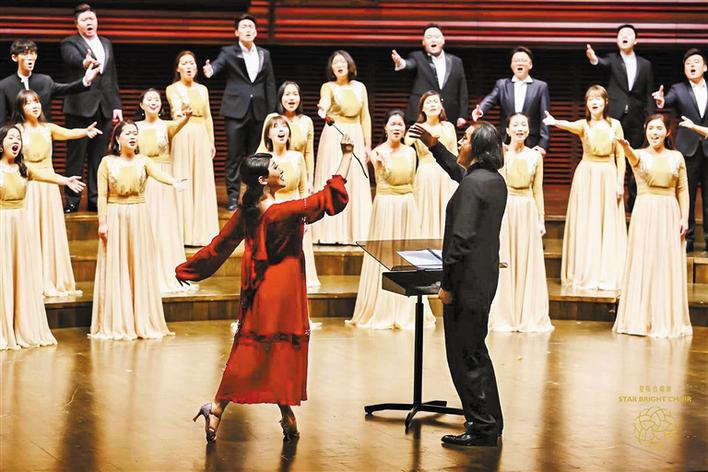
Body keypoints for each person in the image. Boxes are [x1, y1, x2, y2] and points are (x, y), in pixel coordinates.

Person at [177, 137, 354, 443]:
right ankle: (226, 407)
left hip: (262, 288)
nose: (281, 169)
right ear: (263, 180)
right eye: (274, 167)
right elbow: (330, 198)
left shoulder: (249, 210)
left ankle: (248, 411)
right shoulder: (281, 211)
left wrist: (189, 269)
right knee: (272, 350)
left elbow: (220, 246)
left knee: (259, 350)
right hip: (282, 288)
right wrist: (347, 156)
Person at [408, 121, 507, 447]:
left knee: (464, 357)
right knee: (476, 352)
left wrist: (447, 285)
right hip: (483, 280)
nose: (460, 143)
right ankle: (490, 422)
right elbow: (458, 170)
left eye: (464, 139)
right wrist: (435, 146)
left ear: (477, 149)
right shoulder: (492, 181)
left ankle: (481, 428)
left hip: (465, 285)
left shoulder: (473, 186)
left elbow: (459, 242)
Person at [90, 121, 186, 341]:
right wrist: (102, 222)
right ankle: (117, 319)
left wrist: (173, 182)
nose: (133, 136)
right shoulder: (107, 162)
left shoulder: (144, 161)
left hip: (139, 216)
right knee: (117, 264)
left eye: (135, 133)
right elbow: (102, 196)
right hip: (115, 215)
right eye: (128, 133)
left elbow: (159, 174)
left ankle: (140, 318)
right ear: (117, 138)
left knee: (138, 264)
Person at [347, 110, 434, 329]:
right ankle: (382, 306)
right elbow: (384, 178)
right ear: (385, 128)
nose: (397, 128)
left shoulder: (411, 152)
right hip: (386, 206)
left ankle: (406, 308)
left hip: (407, 205)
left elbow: (413, 183)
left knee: (408, 254)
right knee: (385, 254)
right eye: (393, 124)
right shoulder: (377, 153)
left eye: (400, 124)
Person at [0, 124, 85, 350]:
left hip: (20, 226)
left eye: (18, 138)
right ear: (1, 144)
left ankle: (21, 325)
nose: (15, 141)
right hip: (2, 224)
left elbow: (46, 176)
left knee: (19, 273)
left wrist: (65, 181)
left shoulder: (24, 169)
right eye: (10, 138)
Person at [12, 89, 100, 297]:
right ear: (21, 108)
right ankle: (31, 281)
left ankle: (53, 279)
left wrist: (85, 132)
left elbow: (68, 133)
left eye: (36, 101)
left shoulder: (48, 128)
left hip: (50, 186)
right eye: (28, 103)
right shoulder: (17, 130)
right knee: (30, 231)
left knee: (49, 231)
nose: (34, 105)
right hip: (28, 185)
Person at [613, 115, 692, 337]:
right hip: (645, 212)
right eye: (651, 128)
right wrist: (626, 148)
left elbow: (683, 189)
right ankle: (641, 318)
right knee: (644, 260)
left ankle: (664, 318)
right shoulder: (639, 154)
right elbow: (632, 157)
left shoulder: (676, 157)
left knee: (665, 263)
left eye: (659, 128)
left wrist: (684, 218)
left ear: (668, 132)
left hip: (669, 211)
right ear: (645, 130)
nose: (654, 132)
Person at [543, 85, 627, 290]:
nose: (594, 102)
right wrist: (554, 122)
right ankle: (585, 270)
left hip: (608, 174)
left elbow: (621, 156)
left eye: (598, 98)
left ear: (606, 102)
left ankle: (606, 272)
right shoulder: (583, 124)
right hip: (587, 174)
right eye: (590, 99)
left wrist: (619, 182)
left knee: (606, 220)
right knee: (588, 220)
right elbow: (568, 125)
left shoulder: (615, 125)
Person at [202, 13, 276, 211]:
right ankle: (233, 197)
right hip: (235, 111)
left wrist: (272, 113)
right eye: (244, 27)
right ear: (236, 32)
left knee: (256, 157)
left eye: (251, 26)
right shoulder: (229, 51)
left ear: (256, 32)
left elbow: (270, 83)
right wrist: (211, 70)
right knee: (234, 156)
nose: (248, 30)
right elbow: (218, 64)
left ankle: (253, 196)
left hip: (259, 110)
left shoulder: (264, 54)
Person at [488, 113, 552, 332]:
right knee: (506, 257)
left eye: (524, 125)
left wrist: (541, 219)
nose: (520, 128)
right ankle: (505, 313)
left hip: (527, 209)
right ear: (507, 130)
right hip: (506, 208)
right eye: (515, 125)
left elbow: (538, 190)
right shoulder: (501, 155)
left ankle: (526, 313)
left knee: (526, 258)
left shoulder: (535, 156)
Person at [256, 82, 319, 289]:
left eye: (295, 94)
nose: (291, 98)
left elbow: (308, 153)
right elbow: (261, 148)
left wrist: (309, 179)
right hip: (275, 183)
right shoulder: (273, 119)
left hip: (296, 175)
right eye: (287, 94)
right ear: (280, 97)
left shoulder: (307, 121)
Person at [586, 24, 656, 210]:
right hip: (614, 117)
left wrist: (650, 119)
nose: (624, 37)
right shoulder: (612, 59)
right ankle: (611, 201)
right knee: (614, 158)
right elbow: (601, 63)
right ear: (617, 40)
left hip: (636, 118)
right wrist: (594, 59)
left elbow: (648, 93)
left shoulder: (645, 64)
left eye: (628, 34)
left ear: (636, 40)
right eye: (621, 34)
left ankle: (633, 202)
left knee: (634, 158)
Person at [60, 3, 122, 213]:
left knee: (99, 158)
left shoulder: (106, 43)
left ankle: (96, 199)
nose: (89, 23)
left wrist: (116, 105)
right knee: (76, 157)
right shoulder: (69, 43)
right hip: (79, 107)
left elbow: (111, 77)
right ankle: (72, 199)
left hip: (104, 108)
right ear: (76, 24)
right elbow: (72, 59)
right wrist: (85, 63)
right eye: (84, 20)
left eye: (92, 19)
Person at [312, 50, 372, 245]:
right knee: (336, 175)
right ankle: (331, 232)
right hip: (334, 134)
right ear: (331, 68)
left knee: (355, 180)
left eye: (342, 62)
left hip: (356, 133)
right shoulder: (328, 87)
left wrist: (367, 145)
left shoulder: (360, 87)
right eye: (335, 62)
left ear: (349, 65)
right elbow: (324, 102)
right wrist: (323, 108)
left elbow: (365, 116)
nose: (338, 65)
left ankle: (357, 232)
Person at [136, 88, 193, 293]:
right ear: (141, 105)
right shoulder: (135, 128)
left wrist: (187, 115)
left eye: (157, 100)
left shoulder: (166, 126)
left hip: (164, 180)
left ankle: (168, 270)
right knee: (146, 222)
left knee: (164, 223)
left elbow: (182, 122)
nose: (153, 102)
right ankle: (144, 272)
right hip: (143, 177)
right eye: (149, 99)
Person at [652, 49, 708, 252]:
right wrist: (661, 101)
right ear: (684, 69)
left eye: (696, 62)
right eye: (688, 63)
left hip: (707, 146)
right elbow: (666, 100)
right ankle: (688, 237)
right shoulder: (678, 89)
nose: (692, 65)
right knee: (687, 194)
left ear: (705, 67)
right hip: (688, 149)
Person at [166, 50, 220, 246]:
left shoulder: (203, 89)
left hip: (200, 134)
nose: (189, 66)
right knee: (184, 176)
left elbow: (208, 116)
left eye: (192, 63)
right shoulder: (172, 89)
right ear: (178, 68)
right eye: (185, 63)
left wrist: (211, 141)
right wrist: (183, 113)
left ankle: (203, 233)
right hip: (182, 132)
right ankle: (183, 233)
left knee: (201, 180)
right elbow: (176, 110)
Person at [471, 46, 550, 155]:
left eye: (523, 60)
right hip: (506, 140)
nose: (519, 63)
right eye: (516, 60)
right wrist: (481, 110)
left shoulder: (540, 87)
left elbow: (545, 117)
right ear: (511, 65)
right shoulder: (502, 84)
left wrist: (543, 145)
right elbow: (490, 98)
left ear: (530, 65)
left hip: (531, 141)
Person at [0, 38, 98, 124]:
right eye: (25, 54)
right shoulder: (5, 85)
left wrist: (86, 80)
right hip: (19, 135)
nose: (30, 58)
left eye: (32, 53)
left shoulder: (44, 81)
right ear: (14, 57)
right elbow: (1, 120)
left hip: (44, 133)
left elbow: (67, 89)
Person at [391, 23, 468, 126]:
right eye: (429, 37)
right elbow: (409, 64)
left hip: (448, 115)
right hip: (421, 116)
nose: (433, 40)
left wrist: (462, 115)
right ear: (423, 42)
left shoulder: (456, 61)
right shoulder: (417, 57)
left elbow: (462, 90)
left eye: (436, 37)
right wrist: (401, 62)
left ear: (443, 40)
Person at [404, 91, 458, 238]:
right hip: (426, 173)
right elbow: (405, 144)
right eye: (428, 102)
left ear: (441, 106)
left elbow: (454, 153)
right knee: (425, 209)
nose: (432, 104)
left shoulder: (448, 127)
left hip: (447, 173)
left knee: (446, 208)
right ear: (422, 108)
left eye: (435, 101)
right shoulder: (417, 127)